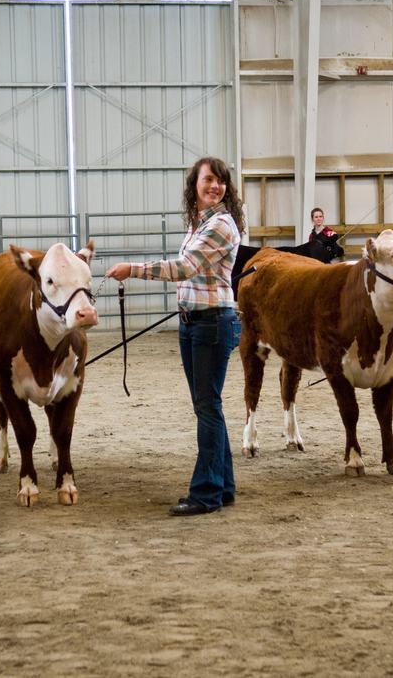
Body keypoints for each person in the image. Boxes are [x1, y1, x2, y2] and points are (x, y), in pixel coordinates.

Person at [106, 157, 244, 516]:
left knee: (207, 408)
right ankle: (223, 487)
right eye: (208, 179)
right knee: (208, 406)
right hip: (195, 321)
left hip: (210, 323)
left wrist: (132, 269)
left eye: (220, 181)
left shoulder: (220, 225)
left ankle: (206, 493)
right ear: (194, 185)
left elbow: (185, 268)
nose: (215, 186)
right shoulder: (200, 224)